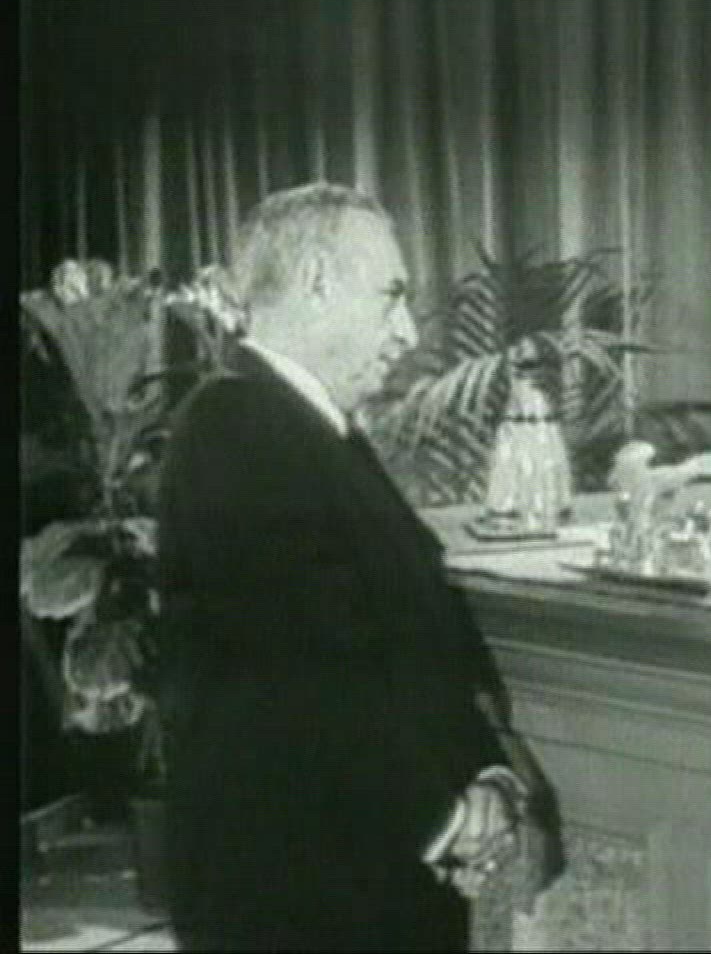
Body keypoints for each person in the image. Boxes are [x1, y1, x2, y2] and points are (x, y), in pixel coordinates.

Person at [157, 183, 536, 951]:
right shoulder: (232, 426)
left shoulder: (313, 433)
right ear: (318, 282)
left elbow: (420, 636)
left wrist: (487, 775)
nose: (407, 333)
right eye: (392, 296)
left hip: (360, 877)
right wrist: (447, 819)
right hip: (297, 898)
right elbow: (313, 666)